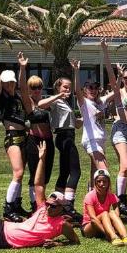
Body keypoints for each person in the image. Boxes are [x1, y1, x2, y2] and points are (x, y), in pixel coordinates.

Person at [0, 43, 29, 221]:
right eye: (7, 82)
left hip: (23, 136)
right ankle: (8, 207)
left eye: (12, 82)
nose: (10, 84)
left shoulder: (17, 96)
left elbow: (23, 85)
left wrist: (22, 67)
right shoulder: (1, 96)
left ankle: (16, 205)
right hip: (12, 137)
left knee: (21, 173)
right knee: (18, 172)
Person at [37, 62, 82, 221]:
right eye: (65, 87)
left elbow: (76, 124)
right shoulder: (56, 101)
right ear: (57, 87)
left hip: (68, 135)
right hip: (64, 137)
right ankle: (68, 206)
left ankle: (57, 204)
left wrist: (87, 118)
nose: (67, 90)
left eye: (69, 88)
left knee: (64, 172)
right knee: (76, 172)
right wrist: (58, 96)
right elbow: (40, 104)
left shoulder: (66, 103)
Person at [102, 41, 127, 218]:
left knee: (126, 168)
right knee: (126, 164)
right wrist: (105, 50)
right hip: (119, 130)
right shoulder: (118, 92)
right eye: (126, 77)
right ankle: (120, 200)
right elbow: (110, 74)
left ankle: (121, 200)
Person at [17, 53, 54, 213]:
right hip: (34, 141)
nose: (37, 90)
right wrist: (22, 68)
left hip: (48, 141)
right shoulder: (28, 103)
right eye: (33, 87)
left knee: (46, 173)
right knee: (35, 172)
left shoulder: (45, 102)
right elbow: (22, 87)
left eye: (39, 87)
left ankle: (41, 202)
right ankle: (35, 205)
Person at [81, 169, 127, 245]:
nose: (101, 184)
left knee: (112, 213)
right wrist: (106, 233)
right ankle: (113, 237)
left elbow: (116, 215)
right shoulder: (90, 196)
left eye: (104, 181)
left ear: (108, 183)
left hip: (105, 224)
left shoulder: (111, 196)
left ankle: (125, 237)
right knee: (105, 213)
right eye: (99, 181)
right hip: (89, 227)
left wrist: (113, 226)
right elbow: (93, 219)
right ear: (95, 182)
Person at [77, 71, 110, 178]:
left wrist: (119, 77)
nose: (94, 90)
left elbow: (116, 91)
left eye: (96, 88)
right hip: (92, 140)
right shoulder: (84, 103)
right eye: (90, 87)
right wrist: (76, 71)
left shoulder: (100, 102)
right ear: (85, 90)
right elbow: (77, 90)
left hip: (101, 141)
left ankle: (91, 188)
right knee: (104, 171)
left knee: (94, 172)